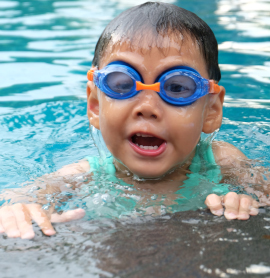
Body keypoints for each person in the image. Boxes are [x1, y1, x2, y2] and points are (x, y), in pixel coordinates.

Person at [0, 2, 266, 239]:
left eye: (176, 87)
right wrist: (17, 210)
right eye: (122, 84)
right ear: (94, 104)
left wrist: (245, 203)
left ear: (211, 111)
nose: (147, 108)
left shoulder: (222, 161)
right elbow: (17, 198)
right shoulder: (84, 176)